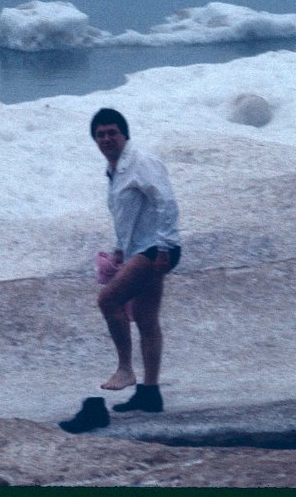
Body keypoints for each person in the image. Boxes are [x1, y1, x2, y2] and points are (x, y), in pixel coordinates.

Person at [90, 108, 181, 413]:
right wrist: (119, 249)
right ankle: (150, 394)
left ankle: (126, 369)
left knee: (108, 300)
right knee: (145, 318)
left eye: (112, 132)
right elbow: (127, 215)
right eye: (101, 134)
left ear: (124, 134)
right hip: (141, 249)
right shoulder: (115, 170)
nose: (107, 138)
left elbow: (165, 201)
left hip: (156, 248)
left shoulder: (141, 162)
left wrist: (167, 247)